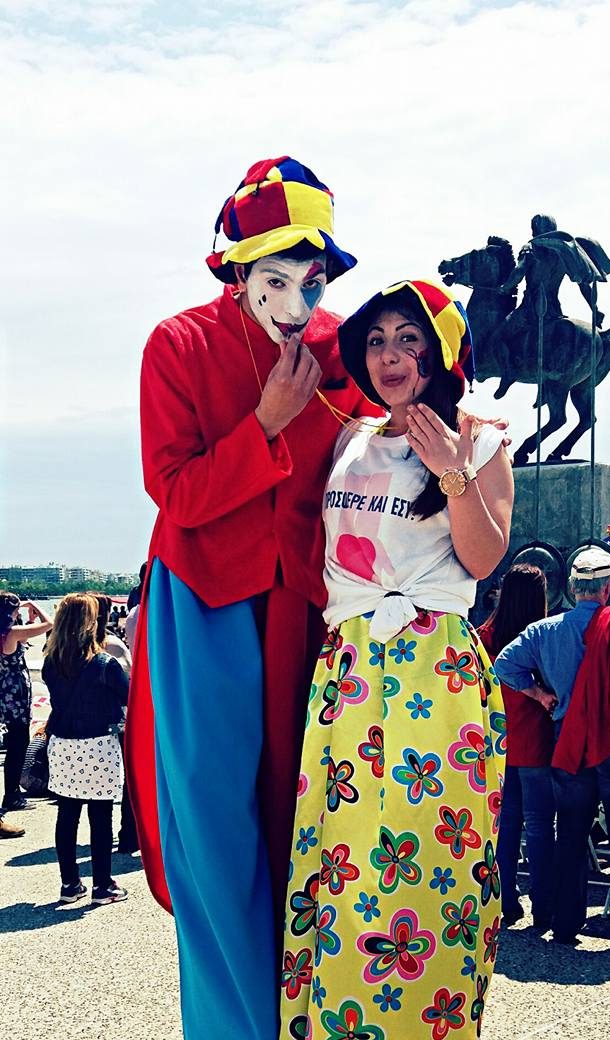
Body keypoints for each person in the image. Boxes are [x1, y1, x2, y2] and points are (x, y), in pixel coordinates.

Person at [126, 156, 382, 1040]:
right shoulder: (176, 344)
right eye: (278, 276)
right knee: (214, 834)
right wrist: (267, 422)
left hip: (312, 609)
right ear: (236, 269)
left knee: (310, 823)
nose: (299, 300)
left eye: (315, 278)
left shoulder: (345, 347)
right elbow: (176, 492)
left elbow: (387, 449)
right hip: (203, 604)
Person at [280, 279, 513, 1040]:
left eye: (409, 339)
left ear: (439, 354)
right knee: (343, 862)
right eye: (377, 340)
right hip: (350, 670)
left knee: (430, 858)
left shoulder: (480, 440)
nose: (390, 355)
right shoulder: (348, 437)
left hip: (435, 671)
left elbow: (484, 559)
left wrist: (451, 469)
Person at [494, 546, 610, 944]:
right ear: (607, 590)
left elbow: (504, 665)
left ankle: (564, 923)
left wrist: (540, 694)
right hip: (605, 737)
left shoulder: (545, 631)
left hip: (566, 738)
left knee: (571, 832)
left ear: (573, 588)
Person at [478, 564, 554, 929]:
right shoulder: (541, 636)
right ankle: (544, 907)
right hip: (536, 742)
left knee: (505, 827)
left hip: (498, 744)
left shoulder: (484, 636)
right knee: (539, 826)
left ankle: (505, 902)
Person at [42, 593, 129, 905]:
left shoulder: (51, 663)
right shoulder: (105, 664)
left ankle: (69, 884)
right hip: (99, 745)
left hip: (63, 745)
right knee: (100, 816)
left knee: (67, 815)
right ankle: (102, 885)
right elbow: (130, 698)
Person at [91, 594, 138, 854]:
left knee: (96, 792)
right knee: (130, 778)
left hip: (89, 723)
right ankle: (129, 834)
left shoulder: (68, 644)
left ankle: (110, 838)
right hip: (119, 719)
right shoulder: (112, 646)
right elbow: (128, 678)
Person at [0, 593, 53, 820]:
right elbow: (49, 624)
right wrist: (33, 605)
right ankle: (12, 795)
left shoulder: (6, 633)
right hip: (16, 697)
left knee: (15, 744)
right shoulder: (12, 632)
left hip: (7, 694)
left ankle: (12, 792)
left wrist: (26, 616)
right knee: (18, 746)